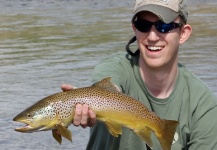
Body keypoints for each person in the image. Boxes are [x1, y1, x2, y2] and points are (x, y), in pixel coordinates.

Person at [61, 0, 217, 149]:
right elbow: (110, 87)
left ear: (183, 33)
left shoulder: (204, 107)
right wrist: (82, 99)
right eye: (143, 25)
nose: (152, 37)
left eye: (164, 26)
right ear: (134, 28)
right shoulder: (113, 67)